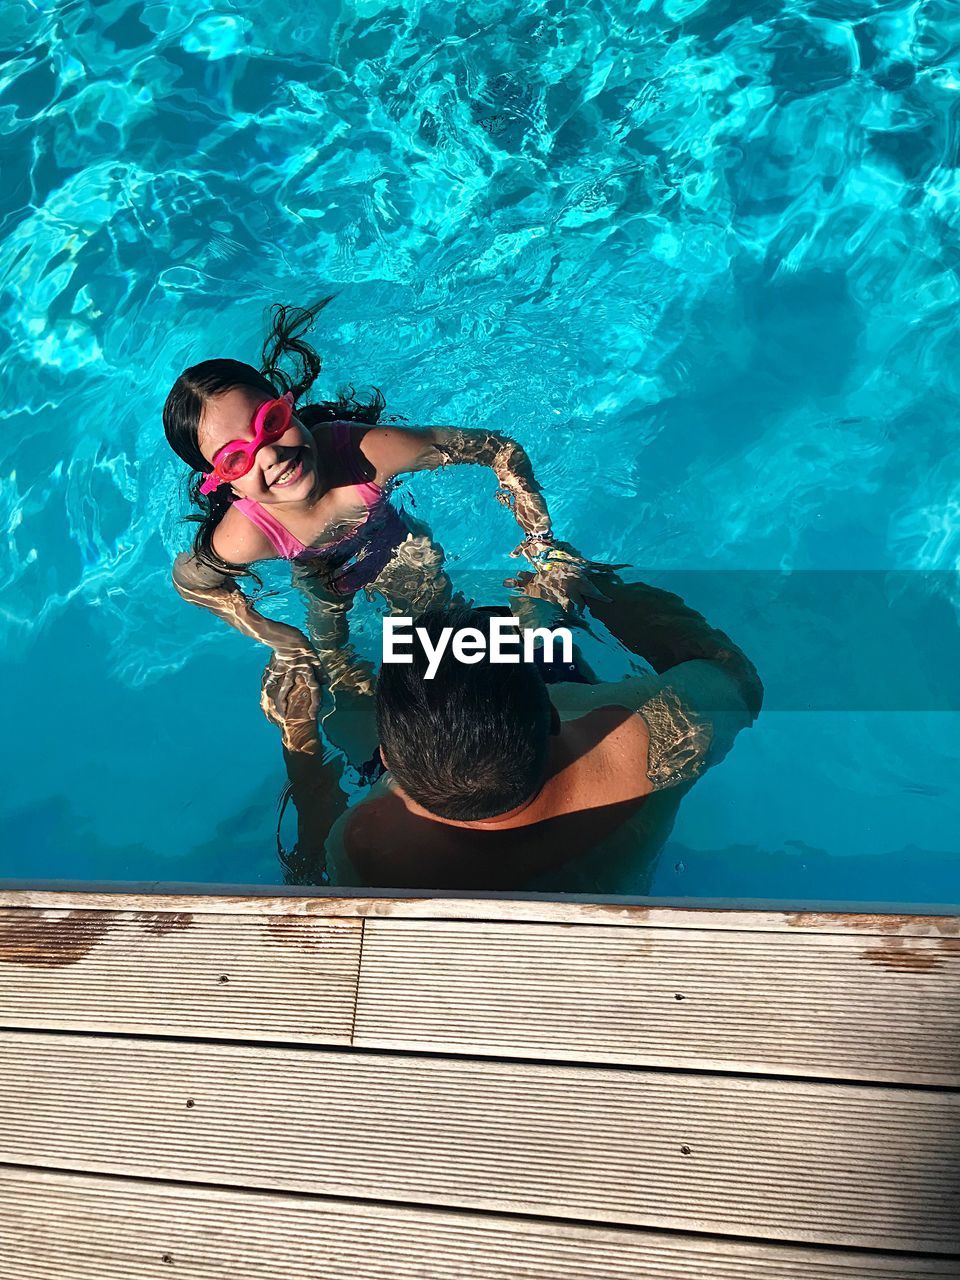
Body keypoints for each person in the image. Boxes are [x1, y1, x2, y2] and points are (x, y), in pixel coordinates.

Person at [163, 298, 571, 740]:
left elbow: (497, 449)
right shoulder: (248, 534)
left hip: (399, 552)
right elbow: (191, 581)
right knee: (334, 670)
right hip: (323, 581)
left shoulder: (365, 455)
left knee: (447, 637)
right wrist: (281, 641)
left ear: (290, 406)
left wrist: (541, 544)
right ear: (223, 483)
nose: (271, 453)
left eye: (271, 422)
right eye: (237, 458)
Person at [274, 559, 763, 892]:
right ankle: (543, 612)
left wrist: (298, 736)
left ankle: (339, 652)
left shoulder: (367, 847)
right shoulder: (655, 738)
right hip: (611, 872)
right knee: (527, 634)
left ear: (388, 759)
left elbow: (310, 874)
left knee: (378, 671)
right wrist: (599, 592)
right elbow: (737, 678)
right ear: (551, 715)